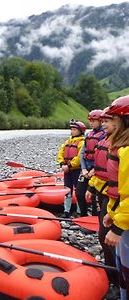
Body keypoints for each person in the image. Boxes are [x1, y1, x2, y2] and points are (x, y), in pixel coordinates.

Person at [85, 107, 118, 289]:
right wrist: (91, 186)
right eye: (102, 121)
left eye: (107, 121)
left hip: (113, 198)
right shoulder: (105, 141)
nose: (103, 124)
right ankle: (111, 271)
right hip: (103, 191)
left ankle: (114, 273)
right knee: (103, 234)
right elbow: (100, 170)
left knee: (106, 235)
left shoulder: (120, 146)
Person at [102, 96, 129, 299]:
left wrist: (118, 227)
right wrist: (112, 214)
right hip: (122, 218)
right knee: (121, 264)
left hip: (126, 224)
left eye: (114, 119)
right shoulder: (120, 148)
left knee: (127, 269)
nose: (108, 122)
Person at [76, 109, 105, 217]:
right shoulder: (89, 135)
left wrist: (94, 170)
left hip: (96, 170)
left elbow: (102, 156)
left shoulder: (104, 136)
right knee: (79, 193)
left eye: (93, 120)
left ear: (100, 121)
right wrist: (83, 169)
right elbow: (82, 152)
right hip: (85, 169)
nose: (91, 122)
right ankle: (83, 215)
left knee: (94, 197)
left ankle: (94, 219)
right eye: (90, 120)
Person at [57, 120, 85, 218]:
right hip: (67, 170)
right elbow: (61, 153)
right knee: (67, 190)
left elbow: (79, 158)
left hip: (76, 170)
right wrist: (61, 164)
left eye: (74, 129)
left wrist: (68, 166)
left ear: (80, 131)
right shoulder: (67, 141)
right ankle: (66, 210)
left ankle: (79, 211)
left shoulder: (82, 142)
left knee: (78, 191)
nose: (72, 131)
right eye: (71, 129)